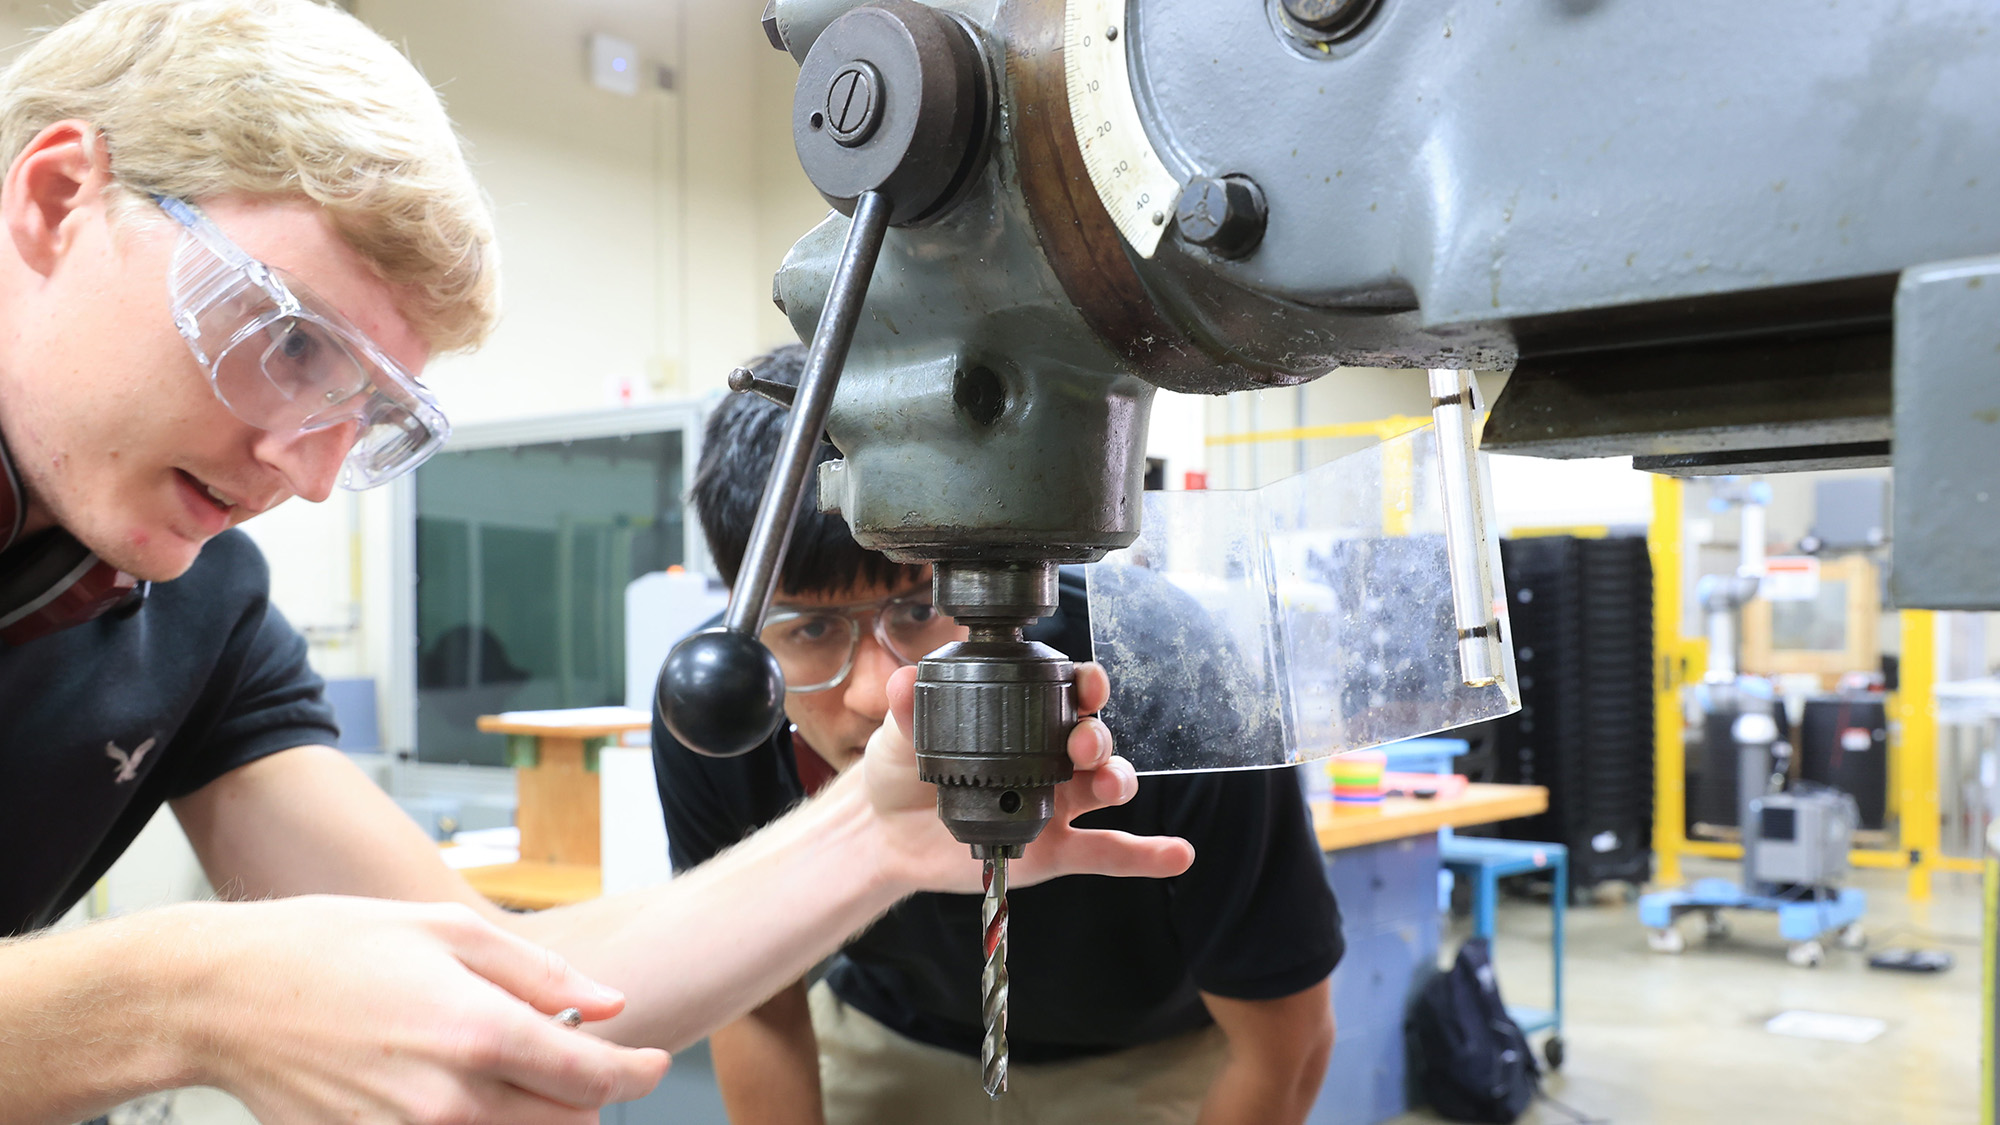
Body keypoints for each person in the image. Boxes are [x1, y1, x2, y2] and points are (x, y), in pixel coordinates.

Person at [0, 3, 1190, 1121]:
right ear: (58, 199)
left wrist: (871, 836)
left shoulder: (194, 610)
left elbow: (506, 986)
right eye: (288, 339)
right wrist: (177, 994)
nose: (305, 474)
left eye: (364, 415)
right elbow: (195, 991)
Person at [654, 344, 1345, 1125]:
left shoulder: (1166, 664)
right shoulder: (719, 704)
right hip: (895, 1034)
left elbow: (1284, 1043)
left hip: (1145, 1055)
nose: (874, 694)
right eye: (811, 628)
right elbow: (754, 997)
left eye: (917, 610)